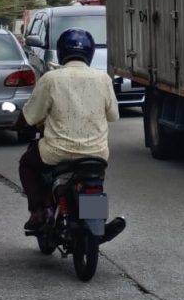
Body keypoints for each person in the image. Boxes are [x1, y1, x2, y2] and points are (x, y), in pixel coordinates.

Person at [16, 28, 119, 231]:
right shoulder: (103, 79)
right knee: (95, 180)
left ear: (61, 53)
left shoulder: (51, 78)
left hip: (56, 152)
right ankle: (96, 221)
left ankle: (37, 211)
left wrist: (16, 125)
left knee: (27, 163)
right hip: (95, 154)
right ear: (90, 54)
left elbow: (30, 116)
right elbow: (113, 116)